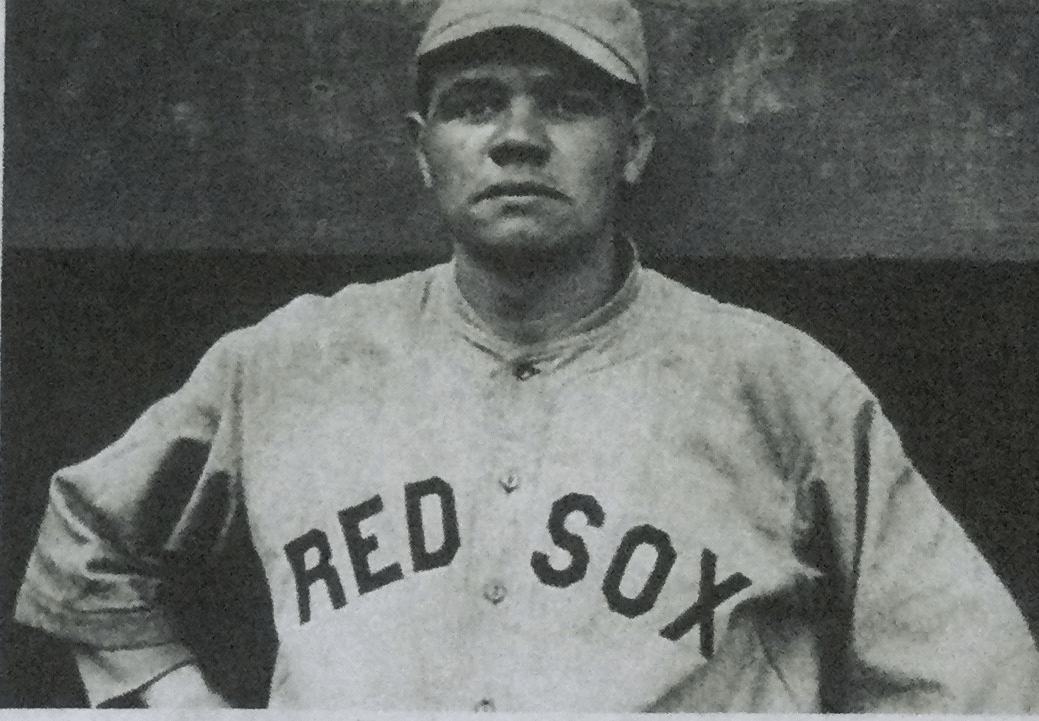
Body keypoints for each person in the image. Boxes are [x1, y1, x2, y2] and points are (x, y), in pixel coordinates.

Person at [14, 0, 1039, 712]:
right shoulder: (290, 361)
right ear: (422, 149)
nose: (516, 136)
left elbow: (974, 676)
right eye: (473, 103)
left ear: (632, 143)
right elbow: (88, 542)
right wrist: (181, 705)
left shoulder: (780, 385)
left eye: (565, 101)